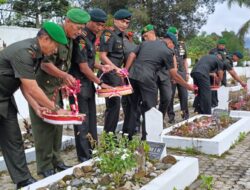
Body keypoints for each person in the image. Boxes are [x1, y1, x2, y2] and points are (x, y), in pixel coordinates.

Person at [0, 22, 68, 189]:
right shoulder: (23, 52)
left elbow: (24, 84)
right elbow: (32, 86)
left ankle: (23, 180)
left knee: (13, 139)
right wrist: (56, 109)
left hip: (5, 99)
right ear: (45, 39)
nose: (56, 50)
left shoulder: (37, 55)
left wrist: (37, 107)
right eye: (55, 45)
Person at [29, 8, 90, 178]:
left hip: (56, 88)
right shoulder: (52, 35)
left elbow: (63, 64)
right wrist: (64, 75)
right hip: (42, 89)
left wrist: (64, 81)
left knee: (57, 127)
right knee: (44, 129)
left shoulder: (70, 40)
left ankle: (57, 160)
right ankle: (45, 166)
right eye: (77, 28)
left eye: (81, 29)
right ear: (67, 21)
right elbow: (45, 64)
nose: (79, 32)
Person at [123, 31, 194, 140]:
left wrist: (125, 71)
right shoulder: (167, 51)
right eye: (173, 46)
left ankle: (127, 138)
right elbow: (174, 75)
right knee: (150, 109)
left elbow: (132, 54)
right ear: (170, 42)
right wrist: (187, 85)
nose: (173, 48)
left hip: (132, 76)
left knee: (133, 107)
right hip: (147, 78)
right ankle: (146, 139)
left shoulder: (146, 43)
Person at [69, 8, 112, 162]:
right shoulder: (81, 38)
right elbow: (83, 66)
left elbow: (89, 61)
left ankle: (92, 151)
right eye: (98, 25)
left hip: (88, 84)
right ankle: (84, 156)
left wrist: (101, 67)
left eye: (102, 25)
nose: (101, 28)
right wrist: (100, 82)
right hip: (78, 85)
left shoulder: (92, 38)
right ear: (90, 22)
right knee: (82, 121)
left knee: (92, 119)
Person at [99, 9, 132, 133]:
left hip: (116, 76)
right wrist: (116, 69)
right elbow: (103, 56)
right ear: (115, 21)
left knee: (115, 108)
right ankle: (109, 138)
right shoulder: (108, 34)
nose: (125, 24)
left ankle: (110, 136)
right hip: (109, 75)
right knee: (113, 107)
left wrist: (122, 73)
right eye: (122, 21)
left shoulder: (121, 37)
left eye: (127, 22)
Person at [140, 24, 173, 126]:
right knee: (150, 102)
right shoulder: (143, 45)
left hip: (163, 74)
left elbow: (171, 56)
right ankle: (152, 123)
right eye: (143, 37)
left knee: (167, 97)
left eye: (146, 36)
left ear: (152, 33)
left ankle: (160, 117)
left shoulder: (163, 43)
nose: (145, 39)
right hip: (150, 76)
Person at [167, 26, 189, 124]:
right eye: (174, 34)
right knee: (170, 96)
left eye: (176, 34)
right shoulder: (167, 45)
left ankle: (185, 114)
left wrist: (187, 72)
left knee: (184, 95)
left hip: (181, 73)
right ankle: (171, 117)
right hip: (170, 74)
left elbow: (184, 60)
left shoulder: (182, 45)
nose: (176, 36)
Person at [209, 38, 228, 107]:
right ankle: (214, 103)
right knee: (214, 87)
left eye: (224, 45)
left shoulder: (226, 51)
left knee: (223, 85)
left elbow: (227, 59)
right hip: (214, 71)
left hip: (223, 71)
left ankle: (223, 102)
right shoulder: (213, 51)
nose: (223, 46)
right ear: (218, 45)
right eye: (221, 45)